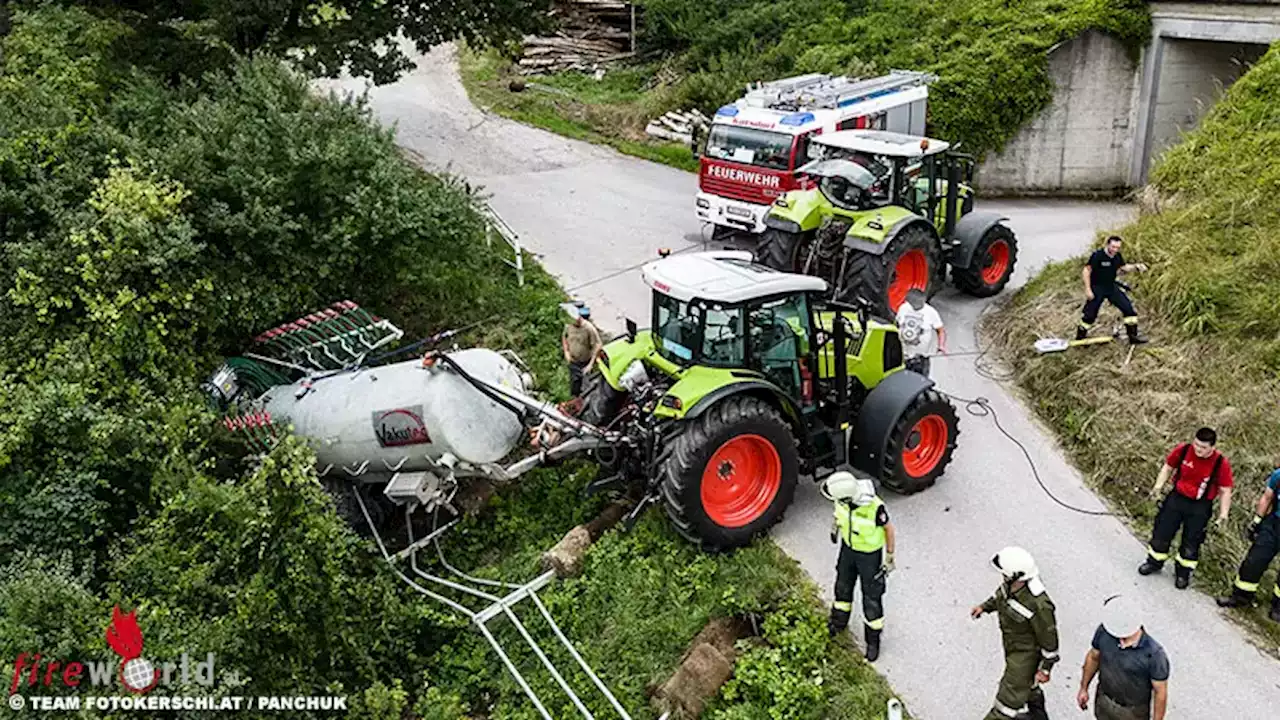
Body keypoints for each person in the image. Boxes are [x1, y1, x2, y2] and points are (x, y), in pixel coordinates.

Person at [1139, 427, 1234, 589]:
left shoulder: (1220, 463)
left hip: (1200, 506)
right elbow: (1168, 467)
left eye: (1203, 447)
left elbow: (1225, 490)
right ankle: (1154, 562)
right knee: (1162, 531)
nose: (1198, 449)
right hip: (1176, 499)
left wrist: (1223, 514)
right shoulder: (1183, 450)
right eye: (1196, 444)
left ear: (1212, 447)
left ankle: (1183, 573)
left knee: (1192, 541)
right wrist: (1158, 487)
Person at [971, 546, 1059, 720]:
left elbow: (1050, 641)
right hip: (1012, 647)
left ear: (1016, 576)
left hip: (1025, 656)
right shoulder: (1011, 586)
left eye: (1005, 575)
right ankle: (1037, 715)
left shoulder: (1039, 604)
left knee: (1007, 700)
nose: (1002, 578)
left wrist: (1046, 669)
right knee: (1027, 685)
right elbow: (1000, 597)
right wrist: (984, 607)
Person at [824, 471, 895, 662]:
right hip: (848, 550)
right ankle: (838, 623)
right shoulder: (841, 498)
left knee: (871, 599)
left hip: (869, 557)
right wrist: (835, 528)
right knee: (842, 587)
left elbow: (889, 529)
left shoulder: (874, 506)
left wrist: (889, 556)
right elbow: (839, 514)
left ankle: (873, 642)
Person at [1077, 593, 1170, 720]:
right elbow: (1093, 657)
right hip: (1104, 702)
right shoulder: (1105, 631)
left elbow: (1160, 692)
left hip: (1132, 713)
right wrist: (1084, 688)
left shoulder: (1154, 654)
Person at [1215, 463, 1280, 622]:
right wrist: (1257, 522)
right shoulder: (1278, 476)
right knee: (1254, 561)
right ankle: (1241, 597)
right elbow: (1267, 497)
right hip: (1274, 524)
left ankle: (1278, 607)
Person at [1077, 236, 1148, 345]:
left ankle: (1133, 337)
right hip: (1097, 287)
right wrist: (1088, 289)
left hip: (1111, 286)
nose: (1115, 250)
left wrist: (1136, 267)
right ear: (1107, 245)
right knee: (1089, 315)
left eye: (1118, 247)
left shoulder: (1117, 256)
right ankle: (1080, 338)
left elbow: (1123, 267)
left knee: (1128, 309)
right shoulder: (1097, 256)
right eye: (1113, 247)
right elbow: (1086, 271)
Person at [896, 288, 946, 377]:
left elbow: (940, 331)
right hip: (903, 356)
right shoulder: (903, 308)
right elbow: (896, 325)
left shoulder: (931, 312)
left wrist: (941, 346)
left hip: (921, 358)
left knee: (920, 380)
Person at [562, 305, 602, 397]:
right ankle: (574, 402)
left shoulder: (588, 328)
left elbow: (598, 345)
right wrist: (566, 352)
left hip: (585, 363)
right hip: (573, 361)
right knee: (574, 385)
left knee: (587, 388)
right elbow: (564, 337)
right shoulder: (568, 326)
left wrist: (590, 364)